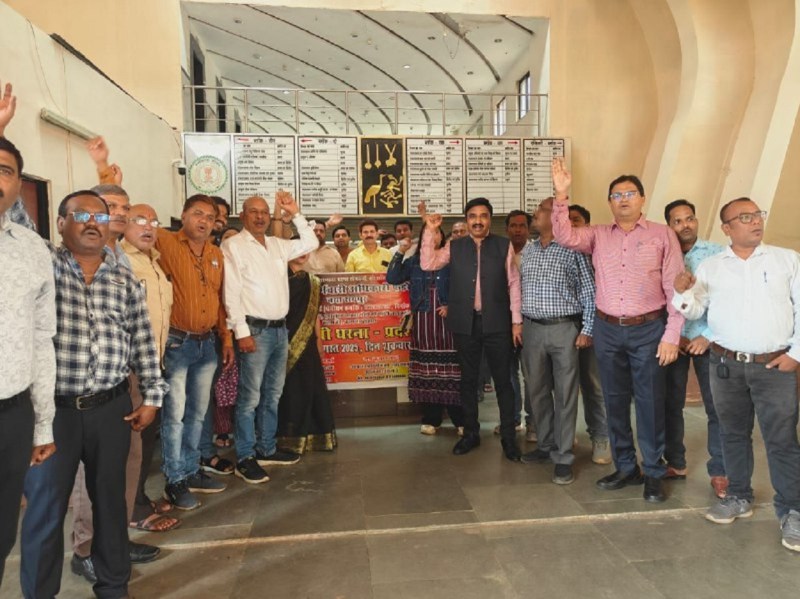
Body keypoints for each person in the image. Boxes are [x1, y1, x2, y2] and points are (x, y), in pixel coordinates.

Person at [21, 190, 167, 599]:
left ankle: (114, 587)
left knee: (110, 503)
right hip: (53, 414)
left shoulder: (123, 279)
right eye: (80, 215)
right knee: (46, 511)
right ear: (60, 223)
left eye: (100, 217)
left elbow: (141, 339)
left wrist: (151, 396)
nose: (92, 223)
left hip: (111, 409)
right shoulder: (43, 265)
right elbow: (14, 218)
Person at [551, 158, 683, 503]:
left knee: (650, 402)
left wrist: (672, 335)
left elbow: (676, 290)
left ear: (642, 199)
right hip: (608, 329)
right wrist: (561, 195)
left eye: (630, 194)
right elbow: (564, 235)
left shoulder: (662, 235)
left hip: (649, 329)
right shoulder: (597, 235)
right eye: (616, 195)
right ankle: (626, 467)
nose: (623, 199)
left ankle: (653, 471)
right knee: (614, 400)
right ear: (609, 202)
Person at [673, 197, 800, 551]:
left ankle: (793, 510)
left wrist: (796, 355)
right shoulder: (712, 267)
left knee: (781, 439)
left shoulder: (787, 260)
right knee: (732, 434)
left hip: (774, 366)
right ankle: (739, 496)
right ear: (727, 228)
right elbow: (694, 309)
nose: (755, 221)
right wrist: (682, 292)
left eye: (757, 215)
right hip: (725, 366)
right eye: (745, 217)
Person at [222, 193, 318, 484]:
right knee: (250, 397)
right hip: (255, 331)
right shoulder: (233, 246)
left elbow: (311, 243)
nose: (260, 216)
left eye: (264, 212)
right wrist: (241, 332)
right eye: (253, 211)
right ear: (243, 216)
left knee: (272, 394)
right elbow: (231, 292)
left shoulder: (277, 244)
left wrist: (295, 213)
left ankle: (267, 448)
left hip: (279, 330)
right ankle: (246, 457)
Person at [420, 198, 523, 461]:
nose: (478, 221)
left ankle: (509, 438)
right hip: (466, 322)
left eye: (483, 216)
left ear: (490, 219)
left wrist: (516, 321)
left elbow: (513, 283)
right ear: (466, 220)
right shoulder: (455, 246)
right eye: (473, 216)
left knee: (503, 381)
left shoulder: (503, 245)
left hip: (498, 322)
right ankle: (470, 434)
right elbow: (428, 263)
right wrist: (430, 230)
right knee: (467, 380)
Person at [0, 134, 56, 591]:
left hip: (12, 414)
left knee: (2, 536)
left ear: (19, 185)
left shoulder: (31, 248)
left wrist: (42, 425)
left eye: (5, 171)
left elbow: (42, 338)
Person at [157, 194, 235, 510]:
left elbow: (219, 300)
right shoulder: (165, 242)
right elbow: (128, 230)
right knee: (174, 416)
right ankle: (174, 480)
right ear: (184, 215)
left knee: (197, 414)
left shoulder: (216, 254)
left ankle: (191, 471)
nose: (204, 221)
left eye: (210, 217)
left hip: (207, 344)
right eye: (197, 214)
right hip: (177, 342)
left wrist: (226, 338)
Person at [518, 198, 596, 485]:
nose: (534, 214)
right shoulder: (529, 249)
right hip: (532, 329)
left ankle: (563, 456)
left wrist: (587, 329)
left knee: (565, 393)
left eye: (540, 209)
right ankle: (546, 444)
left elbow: (589, 291)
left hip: (564, 329)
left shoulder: (573, 249)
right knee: (536, 390)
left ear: (554, 216)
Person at [120, 204, 181, 532]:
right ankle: (133, 511)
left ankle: (138, 497)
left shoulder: (154, 262)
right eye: (140, 220)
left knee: (144, 442)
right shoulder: (119, 259)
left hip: (153, 363)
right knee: (133, 445)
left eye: (153, 222)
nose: (148, 227)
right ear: (123, 224)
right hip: (130, 367)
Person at [664, 199, 727, 498]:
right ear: (669, 226)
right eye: (677, 221)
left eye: (689, 218)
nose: (685, 225)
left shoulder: (716, 255)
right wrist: (671, 335)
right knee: (670, 405)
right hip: (674, 341)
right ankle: (675, 463)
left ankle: (721, 471)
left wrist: (708, 336)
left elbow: (727, 301)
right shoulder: (663, 254)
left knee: (716, 408)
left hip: (707, 341)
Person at [387, 220, 463, 436]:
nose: (434, 236)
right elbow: (392, 277)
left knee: (453, 372)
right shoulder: (414, 262)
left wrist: (452, 305)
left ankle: (460, 419)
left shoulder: (452, 259)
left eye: (437, 232)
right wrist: (400, 251)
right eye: (429, 232)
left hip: (448, 322)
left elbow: (466, 287)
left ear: (441, 236)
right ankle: (431, 419)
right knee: (427, 372)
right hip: (423, 321)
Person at [276, 250, 338, 453]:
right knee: (289, 390)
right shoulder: (276, 277)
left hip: (308, 342)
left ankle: (316, 436)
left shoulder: (313, 282)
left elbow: (315, 314)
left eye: (305, 250)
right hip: (280, 341)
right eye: (297, 249)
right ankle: (287, 437)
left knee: (311, 387)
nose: (302, 253)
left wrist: (319, 340)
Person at [565, 204, 611, 465]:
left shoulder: (597, 251)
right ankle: (566, 434)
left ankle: (601, 437)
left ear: (587, 226)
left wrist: (588, 329)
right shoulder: (557, 250)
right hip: (564, 328)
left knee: (593, 384)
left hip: (593, 327)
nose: (571, 225)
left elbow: (594, 295)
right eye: (566, 221)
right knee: (563, 386)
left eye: (576, 220)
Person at [495, 209, 535, 440]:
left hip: (530, 322)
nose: (517, 230)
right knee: (507, 374)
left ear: (529, 229)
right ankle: (511, 420)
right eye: (513, 225)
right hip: (503, 323)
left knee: (532, 375)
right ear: (507, 229)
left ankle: (533, 422)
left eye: (522, 226)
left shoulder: (536, 252)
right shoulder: (499, 252)